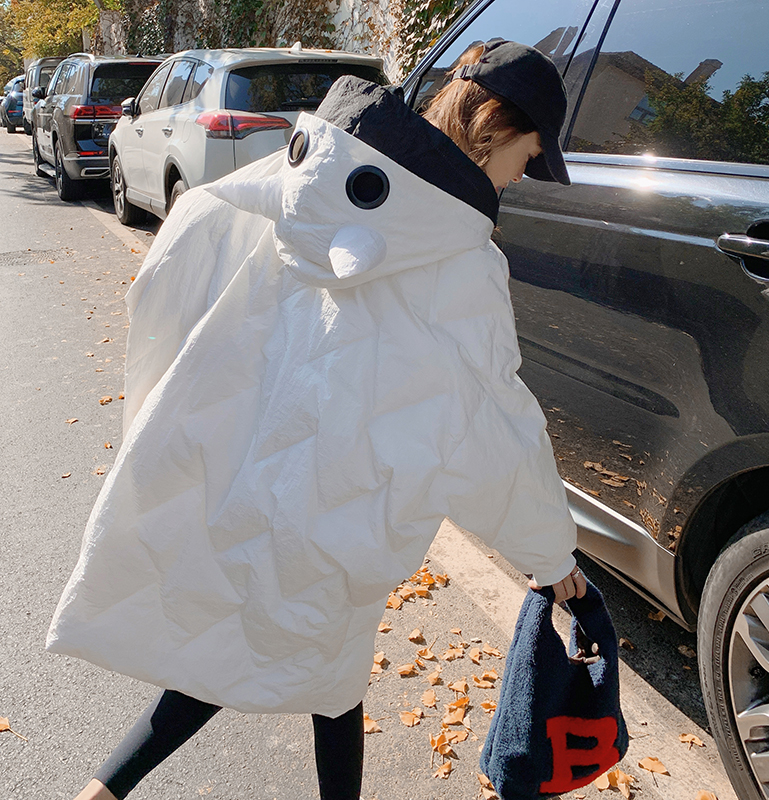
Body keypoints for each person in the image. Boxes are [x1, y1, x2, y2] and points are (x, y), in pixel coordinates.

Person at [52, 39, 587, 800]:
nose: (521, 178)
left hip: (242, 467)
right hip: (346, 500)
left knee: (247, 644)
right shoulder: (461, 260)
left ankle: (101, 791)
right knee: (323, 674)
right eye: (530, 157)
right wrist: (549, 548)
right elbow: (495, 422)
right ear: (497, 127)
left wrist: (167, 407)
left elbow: (182, 256)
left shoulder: (303, 173)